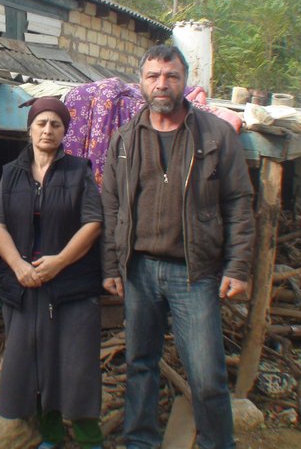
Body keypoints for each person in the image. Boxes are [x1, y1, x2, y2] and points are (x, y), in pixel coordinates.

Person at [101, 45, 255, 449]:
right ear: (141, 83)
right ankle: (141, 442)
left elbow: (239, 201)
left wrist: (238, 267)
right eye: (153, 76)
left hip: (195, 272)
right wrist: (110, 267)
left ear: (185, 81)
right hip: (138, 271)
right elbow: (111, 206)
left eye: (170, 76)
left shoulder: (216, 134)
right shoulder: (122, 139)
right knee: (140, 367)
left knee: (206, 375)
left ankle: (216, 444)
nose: (161, 84)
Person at [0, 96, 104, 449]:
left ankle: (88, 437)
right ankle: (50, 433)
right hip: (25, 283)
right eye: (41, 123)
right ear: (30, 129)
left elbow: (93, 224)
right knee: (34, 359)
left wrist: (59, 262)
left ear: (65, 131)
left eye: (56, 124)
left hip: (69, 282)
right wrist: (19, 266)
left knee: (78, 361)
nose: (48, 130)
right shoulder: (11, 173)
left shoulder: (78, 170)